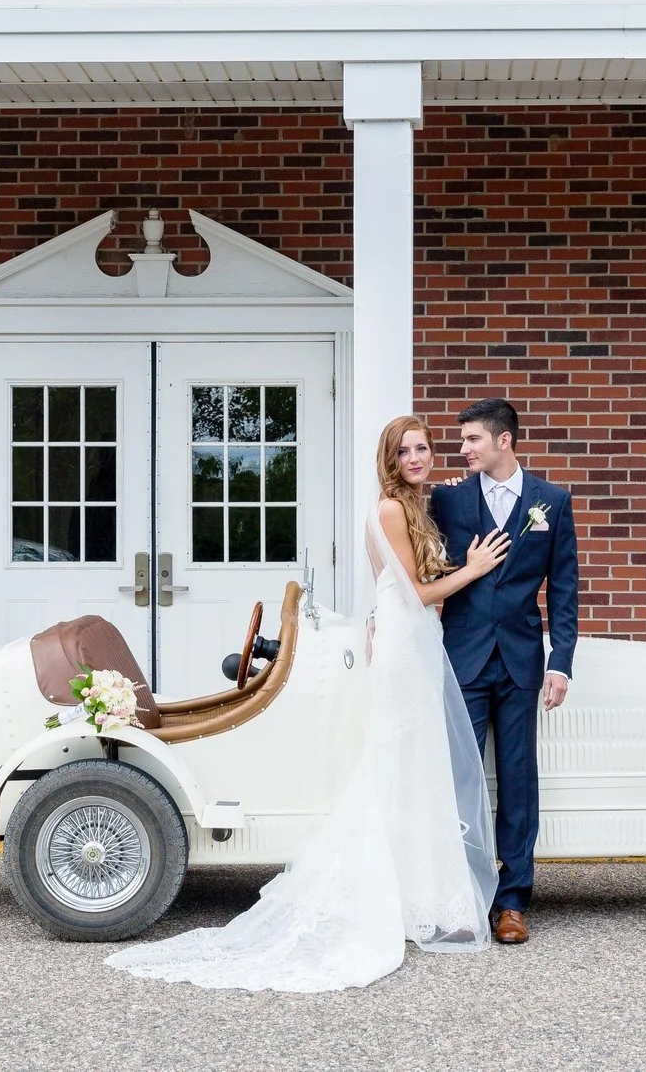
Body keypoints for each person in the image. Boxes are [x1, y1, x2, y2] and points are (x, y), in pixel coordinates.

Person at [105, 416, 507, 992]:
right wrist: (472, 570)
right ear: (389, 459)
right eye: (405, 451)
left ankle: (414, 889)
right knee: (400, 763)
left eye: (423, 448)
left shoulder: (412, 504)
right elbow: (416, 593)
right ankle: (398, 892)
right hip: (405, 641)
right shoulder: (392, 509)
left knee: (413, 766)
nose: (417, 458)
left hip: (409, 636)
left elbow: (399, 587)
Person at [430, 397, 580, 945]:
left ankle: (513, 901)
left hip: (521, 663)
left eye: (472, 439)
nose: (463, 448)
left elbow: (565, 590)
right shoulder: (447, 501)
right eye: (462, 440)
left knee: (518, 782)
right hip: (463, 658)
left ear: (504, 441)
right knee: (460, 782)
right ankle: (464, 894)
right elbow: (414, 564)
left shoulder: (552, 503)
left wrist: (560, 662)